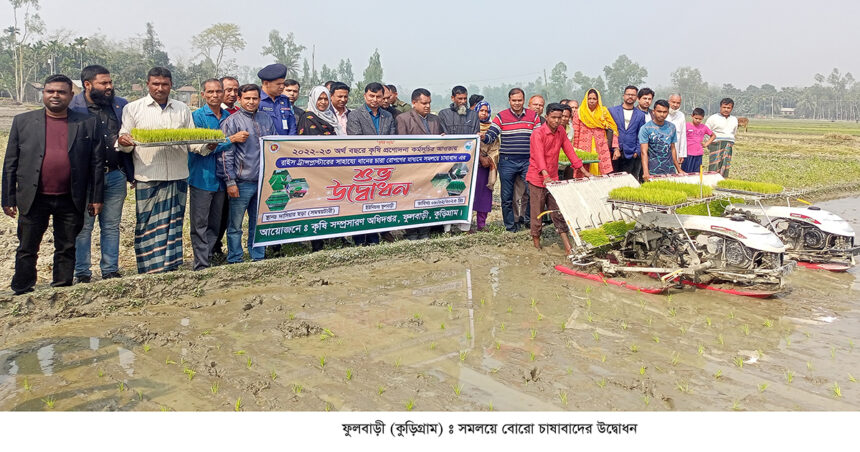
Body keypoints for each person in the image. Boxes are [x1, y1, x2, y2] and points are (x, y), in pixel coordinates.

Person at [3, 74, 105, 294]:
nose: (55, 96)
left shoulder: (87, 123)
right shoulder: (23, 122)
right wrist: (8, 197)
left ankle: (61, 287)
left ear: (70, 95)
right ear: (44, 94)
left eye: (61, 92)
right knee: (27, 247)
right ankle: (22, 287)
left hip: (70, 196)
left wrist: (97, 197)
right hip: (34, 196)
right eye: (50, 91)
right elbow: (10, 163)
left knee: (66, 246)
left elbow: (96, 163)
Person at [117, 67, 216, 274]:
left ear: (171, 85)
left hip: (178, 176)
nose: (160, 88)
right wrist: (123, 141)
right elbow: (125, 143)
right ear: (148, 84)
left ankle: (171, 266)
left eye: (164, 84)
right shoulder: (133, 108)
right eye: (155, 84)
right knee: (147, 224)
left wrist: (208, 146)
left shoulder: (181, 108)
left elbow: (191, 141)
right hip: (148, 175)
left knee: (173, 225)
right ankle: (148, 268)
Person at [69, 65, 133, 283]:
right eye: (103, 83)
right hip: (85, 178)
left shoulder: (120, 105)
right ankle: (83, 273)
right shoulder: (72, 107)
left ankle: (110, 270)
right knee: (84, 227)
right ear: (87, 85)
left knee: (111, 225)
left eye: (110, 82)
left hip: (115, 175)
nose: (109, 87)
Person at [218, 84, 276, 263]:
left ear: (259, 99)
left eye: (255, 98)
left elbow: (274, 148)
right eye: (247, 98)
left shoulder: (266, 119)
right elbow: (225, 154)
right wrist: (230, 182)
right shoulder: (231, 122)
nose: (251, 102)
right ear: (239, 99)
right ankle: (235, 257)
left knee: (258, 222)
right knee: (235, 225)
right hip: (241, 182)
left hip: (262, 182)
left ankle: (257, 255)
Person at [189, 79, 243, 271]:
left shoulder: (229, 116)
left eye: (218, 92)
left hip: (223, 178)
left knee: (216, 222)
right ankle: (201, 263)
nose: (214, 95)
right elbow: (204, 146)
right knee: (200, 222)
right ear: (203, 94)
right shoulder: (197, 117)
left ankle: (209, 254)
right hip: (202, 177)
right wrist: (231, 139)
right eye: (210, 92)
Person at [527, 103, 590, 255]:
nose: (557, 120)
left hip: (553, 178)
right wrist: (545, 175)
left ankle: (568, 247)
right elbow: (538, 155)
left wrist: (582, 170)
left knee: (558, 211)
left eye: (560, 117)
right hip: (537, 178)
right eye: (553, 117)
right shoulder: (538, 133)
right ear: (546, 117)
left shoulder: (561, 131)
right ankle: (536, 244)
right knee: (538, 212)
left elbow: (569, 150)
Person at [481, 88, 541, 232]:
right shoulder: (501, 116)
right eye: (514, 100)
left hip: (528, 161)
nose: (517, 103)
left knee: (532, 193)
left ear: (524, 100)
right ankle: (510, 226)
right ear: (509, 101)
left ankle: (527, 221)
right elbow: (491, 136)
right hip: (507, 161)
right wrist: (483, 136)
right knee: (506, 196)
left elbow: (539, 138)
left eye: (519, 100)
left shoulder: (533, 116)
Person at [346, 82, 396, 245]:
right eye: (371, 96)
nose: (375, 99)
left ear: (383, 97)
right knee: (360, 203)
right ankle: (359, 239)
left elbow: (392, 140)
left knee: (377, 203)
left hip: (382, 168)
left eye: (378, 97)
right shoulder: (355, 115)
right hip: (362, 167)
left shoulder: (387, 116)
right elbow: (356, 141)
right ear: (365, 96)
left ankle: (374, 237)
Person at [396, 88, 445, 239]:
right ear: (414, 103)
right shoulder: (403, 118)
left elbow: (442, 139)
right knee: (411, 200)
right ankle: (411, 231)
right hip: (412, 168)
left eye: (429, 103)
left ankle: (425, 231)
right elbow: (401, 144)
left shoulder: (435, 119)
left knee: (428, 199)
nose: (427, 106)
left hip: (432, 168)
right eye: (424, 103)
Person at [572, 88, 620, 176]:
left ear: (598, 100)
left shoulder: (603, 111)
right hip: (583, 147)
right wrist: (575, 150)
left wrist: (616, 148)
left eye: (594, 99)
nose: (592, 101)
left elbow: (613, 129)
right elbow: (576, 132)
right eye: (589, 99)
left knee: (601, 174)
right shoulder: (579, 112)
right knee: (583, 174)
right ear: (586, 99)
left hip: (601, 146)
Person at [608, 85, 647, 179]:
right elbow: (609, 132)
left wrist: (637, 151)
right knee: (613, 179)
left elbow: (640, 134)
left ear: (636, 98)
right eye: (628, 94)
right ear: (623, 96)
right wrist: (613, 148)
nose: (630, 97)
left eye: (633, 95)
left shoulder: (640, 115)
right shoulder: (612, 111)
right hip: (614, 153)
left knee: (628, 180)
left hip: (631, 153)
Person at [640, 99, 683, 180]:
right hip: (653, 169)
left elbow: (673, 148)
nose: (662, 114)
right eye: (659, 111)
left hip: (669, 168)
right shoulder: (646, 128)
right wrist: (646, 172)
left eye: (665, 112)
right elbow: (643, 152)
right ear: (654, 111)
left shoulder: (671, 127)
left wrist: (678, 169)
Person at [474, 100, 498, 231]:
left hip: (487, 167)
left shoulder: (492, 128)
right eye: (481, 110)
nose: (484, 113)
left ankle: (481, 224)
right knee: (471, 194)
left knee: (484, 195)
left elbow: (496, 147)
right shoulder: (471, 126)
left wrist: (489, 158)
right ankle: (465, 224)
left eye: (486, 111)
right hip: (472, 166)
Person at [257, 63, 296, 136]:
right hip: (266, 144)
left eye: (283, 84)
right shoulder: (257, 100)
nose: (282, 87)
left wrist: (291, 141)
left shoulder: (285, 100)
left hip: (286, 144)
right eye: (278, 84)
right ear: (266, 83)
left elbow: (292, 124)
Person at [705, 98, 738, 177]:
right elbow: (705, 132)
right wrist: (709, 144)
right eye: (724, 107)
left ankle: (722, 183)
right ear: (720, 107)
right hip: (715, 144)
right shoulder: (713, 118)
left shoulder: (734, 119)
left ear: (732, 108)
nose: (726, 110)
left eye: (728, 108)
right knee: (714, 166)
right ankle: (712, 182)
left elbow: (734, 132)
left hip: (728, 145)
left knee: (725, 166)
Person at [683, 108, 716, 173]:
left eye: (700, 119)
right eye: (696, 118)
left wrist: (706, 144)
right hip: (687, 154)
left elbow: (713, 136)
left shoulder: (704, 127)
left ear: (703, 118)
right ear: (692, 116)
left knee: (697, 173)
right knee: (686, 172)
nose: (698, 120)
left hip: (698, 154)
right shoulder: (686, 126)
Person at [667, 94, 687, 164]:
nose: (675, 105)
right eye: (673, 102)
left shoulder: (681, 115)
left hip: (676, 149)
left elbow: (683, 135)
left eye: (678, 103)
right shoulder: (662, 113)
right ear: (668, 101)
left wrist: (682, 154)